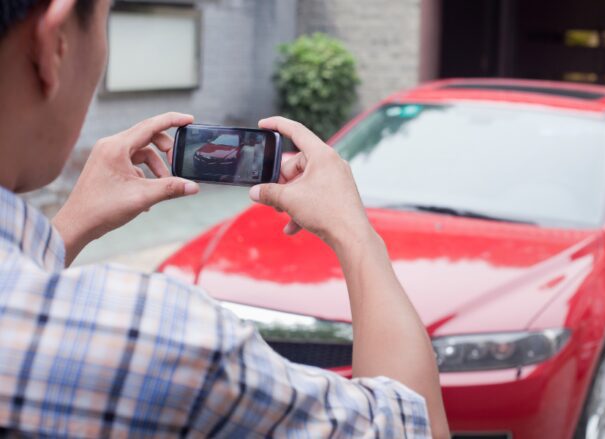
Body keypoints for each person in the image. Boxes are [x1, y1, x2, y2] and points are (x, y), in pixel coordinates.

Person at [0, 0, 449, 437]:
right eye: (105, 18)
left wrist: (70, 227)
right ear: (53, 41)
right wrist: (355, 234)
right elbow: (411, 425)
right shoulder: (155, 335)